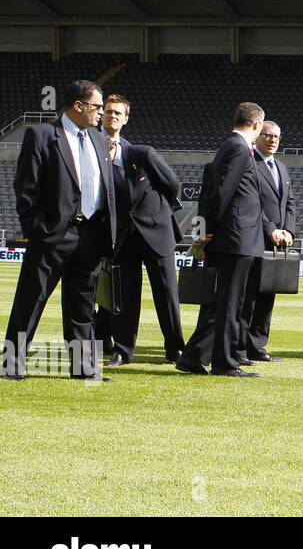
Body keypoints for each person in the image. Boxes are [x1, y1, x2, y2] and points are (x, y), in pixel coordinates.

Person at [3, 80, 116, 381]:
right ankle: (11, 365)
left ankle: (84, 369)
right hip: (52, 235)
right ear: (77, 106)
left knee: (82, 307)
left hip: (90, 235)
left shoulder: (99, 140)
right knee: (30, 301)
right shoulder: (41, 135)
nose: (101, 114)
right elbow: (26, 187)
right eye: (96, 107)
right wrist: (37, 229)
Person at [95, 94, 186, 366]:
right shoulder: (92, 152)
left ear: (126, 118)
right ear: (101, 114)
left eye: (118, 113)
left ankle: (175, 349)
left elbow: (173, 186)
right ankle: (123, 350)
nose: (112, 116)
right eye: (108, 111)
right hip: (121, 238)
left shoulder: (142, 153)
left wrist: (156, 213)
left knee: (167, 293)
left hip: (156, 233)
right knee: (124, 296)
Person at [177, 102, 265, 377]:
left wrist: (205, 229)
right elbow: (222, 193)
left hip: (234, 236)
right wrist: (205, 231)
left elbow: (217, 190)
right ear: (256, 125)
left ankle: (194, 357)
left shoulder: (231, 147)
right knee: (229, 302)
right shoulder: (238, 148)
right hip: (236, 237)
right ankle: (224, 362)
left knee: (222, 303)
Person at [239, 120, 296, 363]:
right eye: (267, 135)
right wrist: (270, 228)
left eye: (276, 137)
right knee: (248, 295)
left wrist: (289, 230)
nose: (272, 140)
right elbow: (252, 203)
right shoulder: (250, 163)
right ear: (257, 136)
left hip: (277, 242)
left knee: (267, 296)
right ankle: (240, 345)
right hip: (254, 238)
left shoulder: (281, 167)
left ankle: (258, 345)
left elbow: (290, 203)